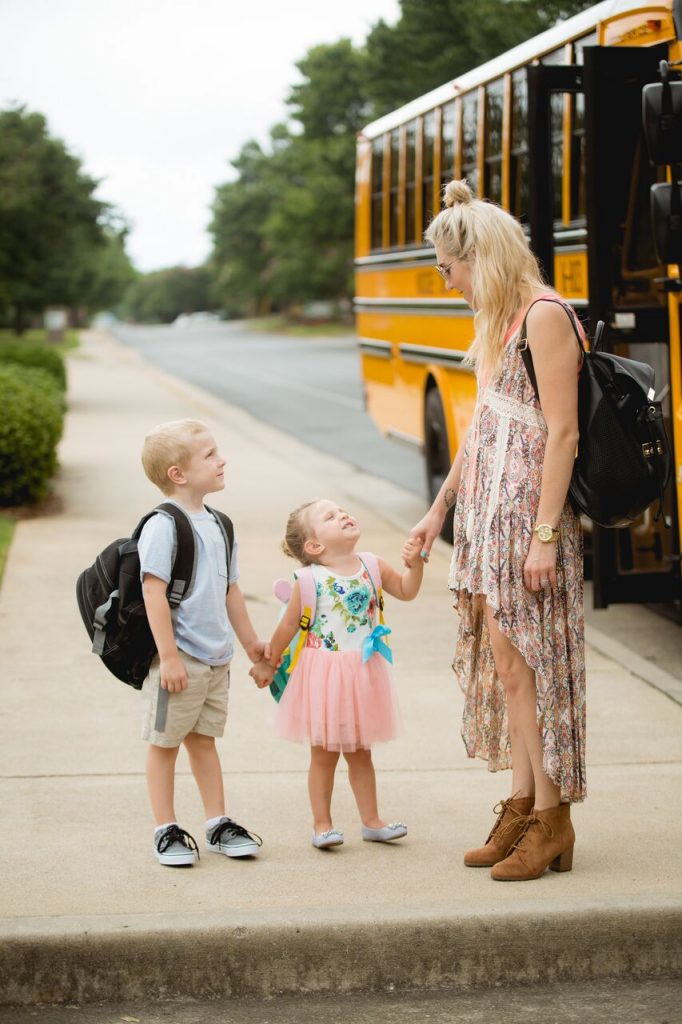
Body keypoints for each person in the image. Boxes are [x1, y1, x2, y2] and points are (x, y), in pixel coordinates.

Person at [411, 180, 586, 882]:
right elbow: (483, 429)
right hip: (487, 520)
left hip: (526, 521)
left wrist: (545, 534)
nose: (447, 284)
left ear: (477, 257)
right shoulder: (500, 322)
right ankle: (521, 805)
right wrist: (437, 511)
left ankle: (552, 821)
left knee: (534, 668)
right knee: (509, 670)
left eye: (447, 270)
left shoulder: (546, 315)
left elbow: (565, 433)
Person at [251, 499, 424, 849]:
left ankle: (372, 821)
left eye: (342, 510)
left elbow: (407, 590)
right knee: (323, 754)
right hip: (324, 676)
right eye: (330, 517)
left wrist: (415, 565)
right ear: (314, 546)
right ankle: (322, 824)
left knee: (362, 752)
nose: (343, 515)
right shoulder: (309, 579)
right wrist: (268, 663)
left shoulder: (372, 566)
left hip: (362, 674)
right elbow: (287, 627)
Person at [139, 418, 267, 867]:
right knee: (164, 743)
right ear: (178, 474)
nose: (222, 459)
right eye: (210, 454)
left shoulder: (219, 523)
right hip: (179, 660)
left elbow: (231, 589)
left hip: (216, 660)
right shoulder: (164, 525)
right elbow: (152, 591)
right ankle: (166, 829)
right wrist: (169, 657)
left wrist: (252, 645)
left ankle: (217, 823)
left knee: (204, 741)